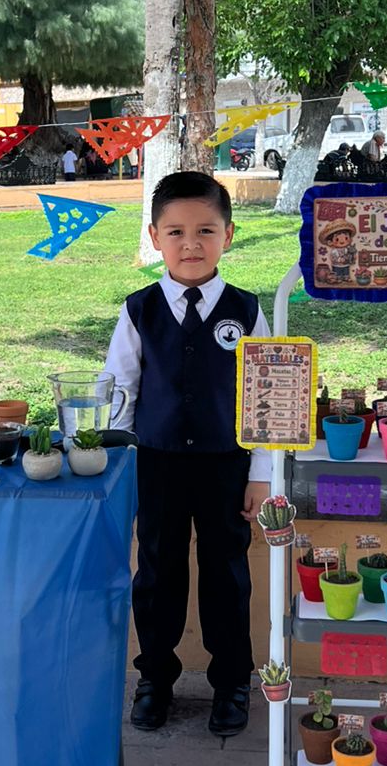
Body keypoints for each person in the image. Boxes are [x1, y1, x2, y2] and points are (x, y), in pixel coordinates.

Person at [104, 171, 270, 737]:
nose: (190, 244)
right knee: (157, 570)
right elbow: (118, 391)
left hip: (228, 466)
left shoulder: (247, 313)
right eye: (175, 231)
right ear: (154, 236)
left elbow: (265, 399)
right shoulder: (139, 311)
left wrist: (262, 473)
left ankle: (233, 681)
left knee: (226, 572)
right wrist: (119, 463)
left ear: (229, 234)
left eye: (205, 230)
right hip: (157, 463)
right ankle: (155, 679)